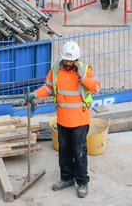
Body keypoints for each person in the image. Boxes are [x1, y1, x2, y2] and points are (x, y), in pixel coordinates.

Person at [31, 40, 100, 197]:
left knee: (80, 152)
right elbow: (48, 87)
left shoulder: (84, 70)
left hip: (80, 121)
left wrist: (82, 78)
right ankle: (67, 178)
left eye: (72, 60)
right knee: (64, 151)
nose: (69, 63)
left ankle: (82, 182)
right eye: (66, 60)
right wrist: (35, 94)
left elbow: (95, 87)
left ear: (77, 59)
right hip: (62, 120)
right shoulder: (55, 69)